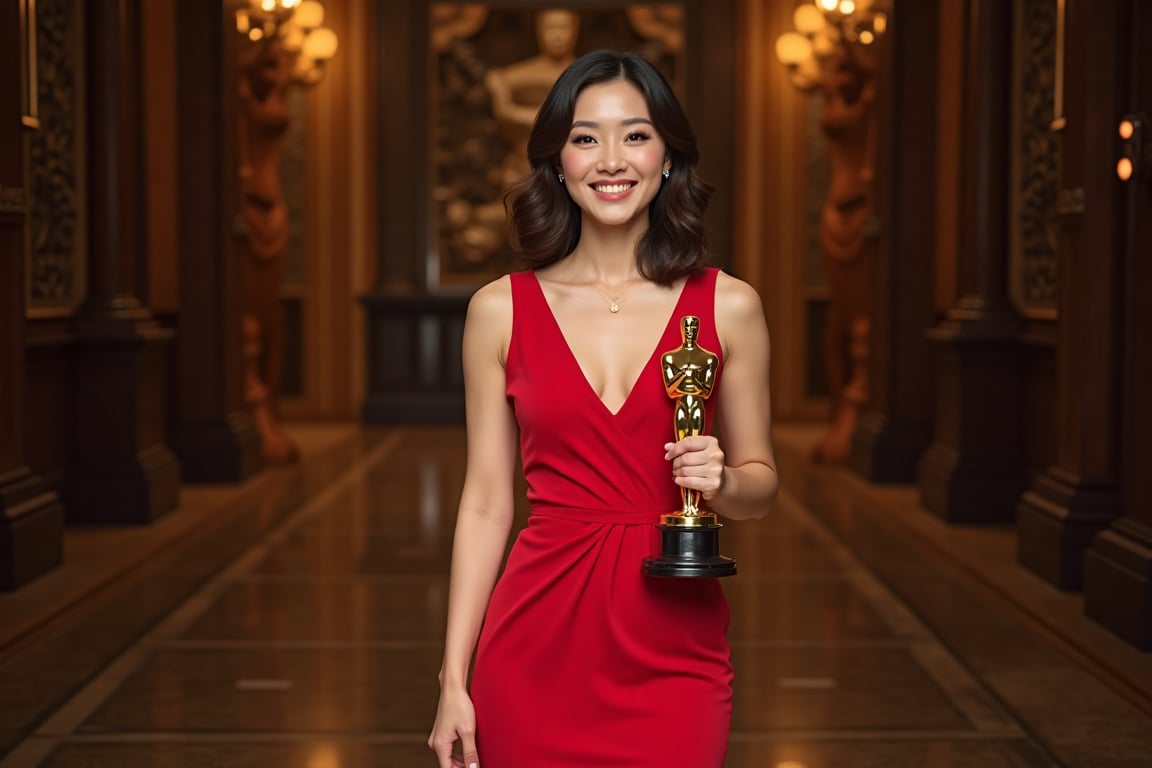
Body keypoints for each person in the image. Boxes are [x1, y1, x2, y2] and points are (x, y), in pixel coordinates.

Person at [428, 50, 779, 768]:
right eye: (586, 137)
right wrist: (452, 678)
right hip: (533, 641)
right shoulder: (498, 311)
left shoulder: (731, 305)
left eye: (636, 135)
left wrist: (725, 481)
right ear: (558, 159)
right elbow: (488, 504)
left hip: (676, 648)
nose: (611, 159)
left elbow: (760, 489)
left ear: (668, 157)